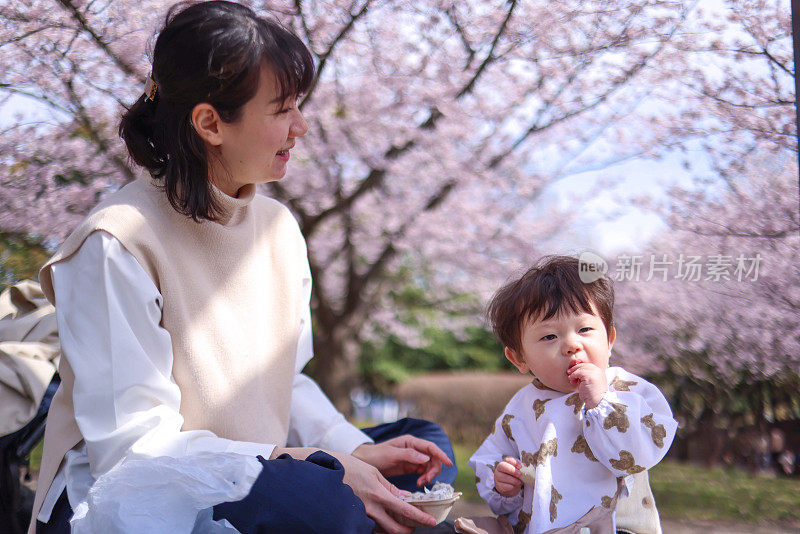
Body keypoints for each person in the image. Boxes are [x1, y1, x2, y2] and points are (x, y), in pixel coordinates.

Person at [29, 2, 455, 533]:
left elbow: (287, 382)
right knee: (327, 505)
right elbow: (137, 450)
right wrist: (327, 469)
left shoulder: (278, 226)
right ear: (210, 123)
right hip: (143, 494)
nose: (301, 126)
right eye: (281, 110)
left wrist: (359, 452)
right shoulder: (115, 241)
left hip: (265, 466)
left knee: (424, 449)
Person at [467, 256, 677, 534]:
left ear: (610, 339)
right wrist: (502, 482)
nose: (571, 345)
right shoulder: (521, 407)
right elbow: (492, 456)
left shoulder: (626, 390)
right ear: (519, 357)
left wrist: (602, 402)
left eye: (585, 329)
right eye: (549, 337)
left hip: (619, 527)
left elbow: (637, 454)